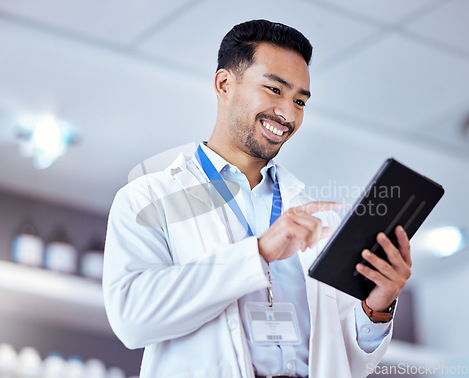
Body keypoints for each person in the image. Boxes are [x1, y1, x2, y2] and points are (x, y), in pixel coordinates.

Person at [103, 19, 412, 378]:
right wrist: (258, 253)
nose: (288, 114)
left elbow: (343, 357)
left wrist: (377, 308)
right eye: (274, 90)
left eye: (299, 101)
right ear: (224, 84)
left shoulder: (315, 218)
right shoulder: (148, 198)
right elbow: (132, 319)